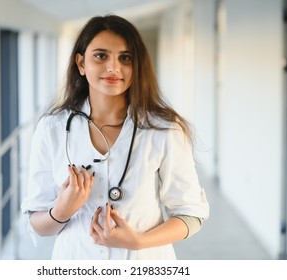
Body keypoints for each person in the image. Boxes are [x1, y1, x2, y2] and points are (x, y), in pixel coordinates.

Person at [21, 14, 209, 260]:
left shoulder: (164, 129)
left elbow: (190, 215)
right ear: (81, 63)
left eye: (125, 58)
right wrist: (61, 210)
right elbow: (37, 224)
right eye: (101, 56)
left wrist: (138, 242)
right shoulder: (52, 129)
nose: (113, 67)